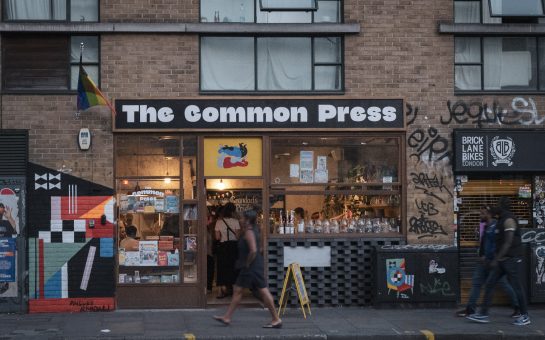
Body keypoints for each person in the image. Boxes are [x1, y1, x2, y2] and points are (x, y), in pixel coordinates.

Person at [467, 197, 531, 326]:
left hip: (511, 259)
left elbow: (507, 242)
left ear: (502, 206)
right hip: (502, 260)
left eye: (497, 205)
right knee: (490, 284)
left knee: (517, 287)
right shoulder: (501, 220)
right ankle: (483, 314)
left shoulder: (508, 220)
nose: (495, 207)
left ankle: (524, 316)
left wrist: (496, 259)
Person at [213, 209, 282, 328]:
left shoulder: (250, 232)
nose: (240, 219)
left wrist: (248, 263)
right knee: (238, 291)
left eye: (243, 218)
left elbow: (254, 251)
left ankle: (276, 319)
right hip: (252, 266)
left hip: (251, 267)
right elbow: (260, 248)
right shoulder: (252, 230)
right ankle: (227, 317)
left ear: (248, 220)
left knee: (263, 291)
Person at [456, 206, 520, 317]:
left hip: (493, 262)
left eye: (482, 213)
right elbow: (484, 244)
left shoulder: (496, 226)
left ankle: (518, 307)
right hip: (483, 261)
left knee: (504, 284)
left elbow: (497, 244)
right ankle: (470, 309)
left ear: (489, 214)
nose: (480, 216)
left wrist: (492, 258)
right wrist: (481, 255)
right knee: (476, 283)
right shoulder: (486, 226)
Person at [215, 203, 240, 298]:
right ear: (233, 211)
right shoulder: (236, 221)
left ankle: (220, 291)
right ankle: (234, 291)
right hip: (233, 247)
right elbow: (238, 236)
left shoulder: (219, 222)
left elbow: (217, 237)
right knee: (233, 268)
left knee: (222, 268)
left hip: (223, 246)